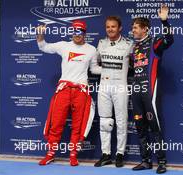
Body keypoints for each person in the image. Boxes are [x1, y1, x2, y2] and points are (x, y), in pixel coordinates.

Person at [36, 20, 101, 166]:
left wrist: (112, 69)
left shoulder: (91, 49)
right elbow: (43, 46)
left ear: (85, 33)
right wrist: (40, 34)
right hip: (64, 89)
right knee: (56, 122)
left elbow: (95, 69)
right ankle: (51, 154)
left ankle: (73, 155)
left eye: (80, 32)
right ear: (72, 32)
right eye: (75, 31)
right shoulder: (64, 46)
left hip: (81, 91)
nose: (77, 35)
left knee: (78, 125)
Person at [130, 5, 174, 174]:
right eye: (132, 27)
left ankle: (161, 161)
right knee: (140, 126)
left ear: (145, 29)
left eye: (135, 27)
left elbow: (169, 40)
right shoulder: (135, 47)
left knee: (155, 127)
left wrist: (164, 21)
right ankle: (146, 161)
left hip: (150, 91)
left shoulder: (155, 43)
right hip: (136, 92)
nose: (133, 30)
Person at [94, 16, 133, 168]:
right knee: (104, 121)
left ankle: (120, 154)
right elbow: (93, 65)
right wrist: (105, 71)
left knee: (122, 121)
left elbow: (137, 64)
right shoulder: (101, 44)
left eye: (113, 27)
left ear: (120, 28)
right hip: (104, 86)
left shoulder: (129, 44)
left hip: (120, 87)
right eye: (108, 27)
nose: (110, 29)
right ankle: (105, 154)